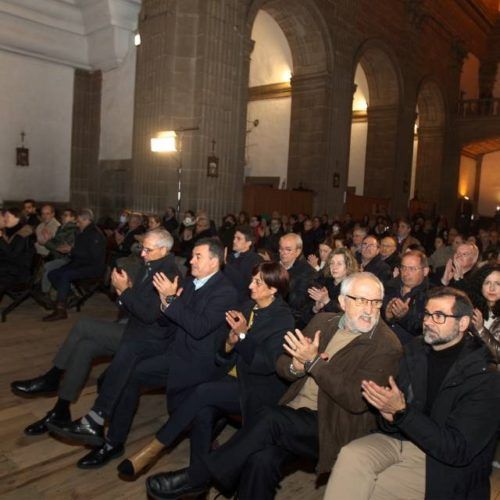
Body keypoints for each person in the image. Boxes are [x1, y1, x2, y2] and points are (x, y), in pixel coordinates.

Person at [145, 272, 402, 500]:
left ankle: (198, 477)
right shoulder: (324, 321)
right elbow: (282, 364)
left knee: (268, 417)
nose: (369, 309)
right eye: (361, 300)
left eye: (376, 302)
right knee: (261, 460)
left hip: (331, 423)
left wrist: (313, 364)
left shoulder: (386, 344)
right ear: (344, 302)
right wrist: (296, 367)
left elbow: (356, 400)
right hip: (293, 410)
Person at [48, 237, 237, 468]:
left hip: (195, 364)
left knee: (130, 360)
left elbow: (198, 328)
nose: (191, 260)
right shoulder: (190, 282)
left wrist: (168, 299)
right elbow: (171, 320)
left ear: (214, 261)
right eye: (193, 255)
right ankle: (110, 439)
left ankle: (97, 420)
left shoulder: (225, 291)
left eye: (198, 256)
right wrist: (164, 304)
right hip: (174, 352)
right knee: (131, 372)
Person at [117, 262, 294, 479]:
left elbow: (265, 364)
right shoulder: (248, 306)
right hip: (231, 378)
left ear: (273, 289)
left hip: (255, 388)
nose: (250, 285)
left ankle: (155, 447)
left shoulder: (283, 319)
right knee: (202, 412)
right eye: (252, 279)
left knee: (203, 391)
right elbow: (223, 355)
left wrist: (243, 336)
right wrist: (230, 343)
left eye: (257, 282)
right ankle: (198, 479)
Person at [325, 287, 500, 500]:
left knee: (368, 487)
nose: (428, 322)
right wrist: (389, 415)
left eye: (439, 316)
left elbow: (457, 450)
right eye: (427, 314)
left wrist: (402, 413)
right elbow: (396, 413)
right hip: (404, 437)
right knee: (350, 455)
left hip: (445, 462)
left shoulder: (484, 376)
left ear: (462, 324)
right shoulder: (416, 350)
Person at [11, 229, 181, 440]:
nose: (143, 253)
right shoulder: (152, 265)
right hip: (132, 329)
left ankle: (52, 377)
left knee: (84, 325)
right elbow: (133, 307)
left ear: (164, 250)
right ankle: (60, 410)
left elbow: (149, 316)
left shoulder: (168, 274)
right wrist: (123, 292)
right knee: (85, 347)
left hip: (146, 338)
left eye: (148, 249)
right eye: (143, 248)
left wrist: (125, 292)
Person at [43, 209, 106, 321]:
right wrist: (70, 251)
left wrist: (71, 250)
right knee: (52, 274)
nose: (77, 224)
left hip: (92, 267)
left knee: (65, 275)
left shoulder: (95, 234)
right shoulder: (81, 232)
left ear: (86, 220)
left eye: (79, 221)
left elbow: (93, 257)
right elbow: (79, 252)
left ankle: (60, 310)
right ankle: (71, 296)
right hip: (79, 264)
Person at [383, 250, 430, 345]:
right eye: (403, 268)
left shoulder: (431, 296)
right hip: (382, 345)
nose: (406, 273)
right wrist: (387, 318)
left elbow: (426, 330)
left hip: (410, 351)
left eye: (412, 269)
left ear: (425, 271)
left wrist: (404, 317)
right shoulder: (388, 288)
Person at [307, 247, 358, 317]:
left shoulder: (353, 288)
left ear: (348, 266)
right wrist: (315, 308)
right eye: (332, 263)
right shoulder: (324, 283)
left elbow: (347, 315)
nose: (334, 267)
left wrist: (327, 301)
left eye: (339, 264)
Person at [279, 233, 316, 327]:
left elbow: (297, 304)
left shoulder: (307, 273)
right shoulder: (275, 265)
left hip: (290, 320)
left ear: (298, 252)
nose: (283, 252)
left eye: (288, 249)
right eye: (281, 248)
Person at [40, 209, 78, 293]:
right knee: (47, 268)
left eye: (66, 215)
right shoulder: (61, 228)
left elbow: (62, 247)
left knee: (48, 268)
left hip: (66, 258)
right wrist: (50, 241)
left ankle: (47, 292)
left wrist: (48, 242)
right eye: (62, 215)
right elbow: (56, 245)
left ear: (73, 218)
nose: (62, 217)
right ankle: (47, 292)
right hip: (58, 256)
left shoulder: (72, 230)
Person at [223, 225, 262, 304]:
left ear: (248, 243)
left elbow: (245, 284)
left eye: (238, 239)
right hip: (225, 296)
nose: (234, 241)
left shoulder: (255, 260)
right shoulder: (230, 256)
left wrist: (225, 265)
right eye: (234, 238)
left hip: (242, 302)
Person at [0, 208, 35, 297]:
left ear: (17, 218)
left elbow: (12, 254)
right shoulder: (13, 231)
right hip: (10, 268)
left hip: (18, 273)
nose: (5, 219)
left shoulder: (23, 234)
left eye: (7, 216)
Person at [471, 264, 500, 361]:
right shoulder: (472, 308)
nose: (492, 288)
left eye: (498, 284)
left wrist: (481, 330)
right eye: (487, 283)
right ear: (480, 285)